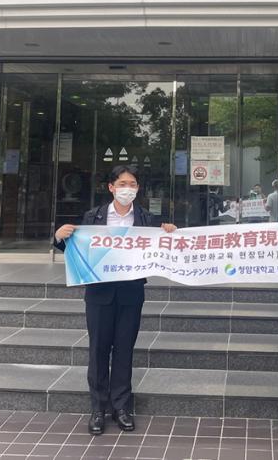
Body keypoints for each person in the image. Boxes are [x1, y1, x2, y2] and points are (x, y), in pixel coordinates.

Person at [54, 165, 176, 436]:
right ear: (111, 187)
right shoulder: (93, 217)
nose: (127, 189)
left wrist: (169, 233)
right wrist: (59, 237)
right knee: (98, 350)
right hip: (99, 294)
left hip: (131, 294)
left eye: (132, 184)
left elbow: (162, 248)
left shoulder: (146, 219)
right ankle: (98, 409)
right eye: (122, 184)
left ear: (138, 189)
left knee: (124, 350)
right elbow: (75, 247)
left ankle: (121, 407)